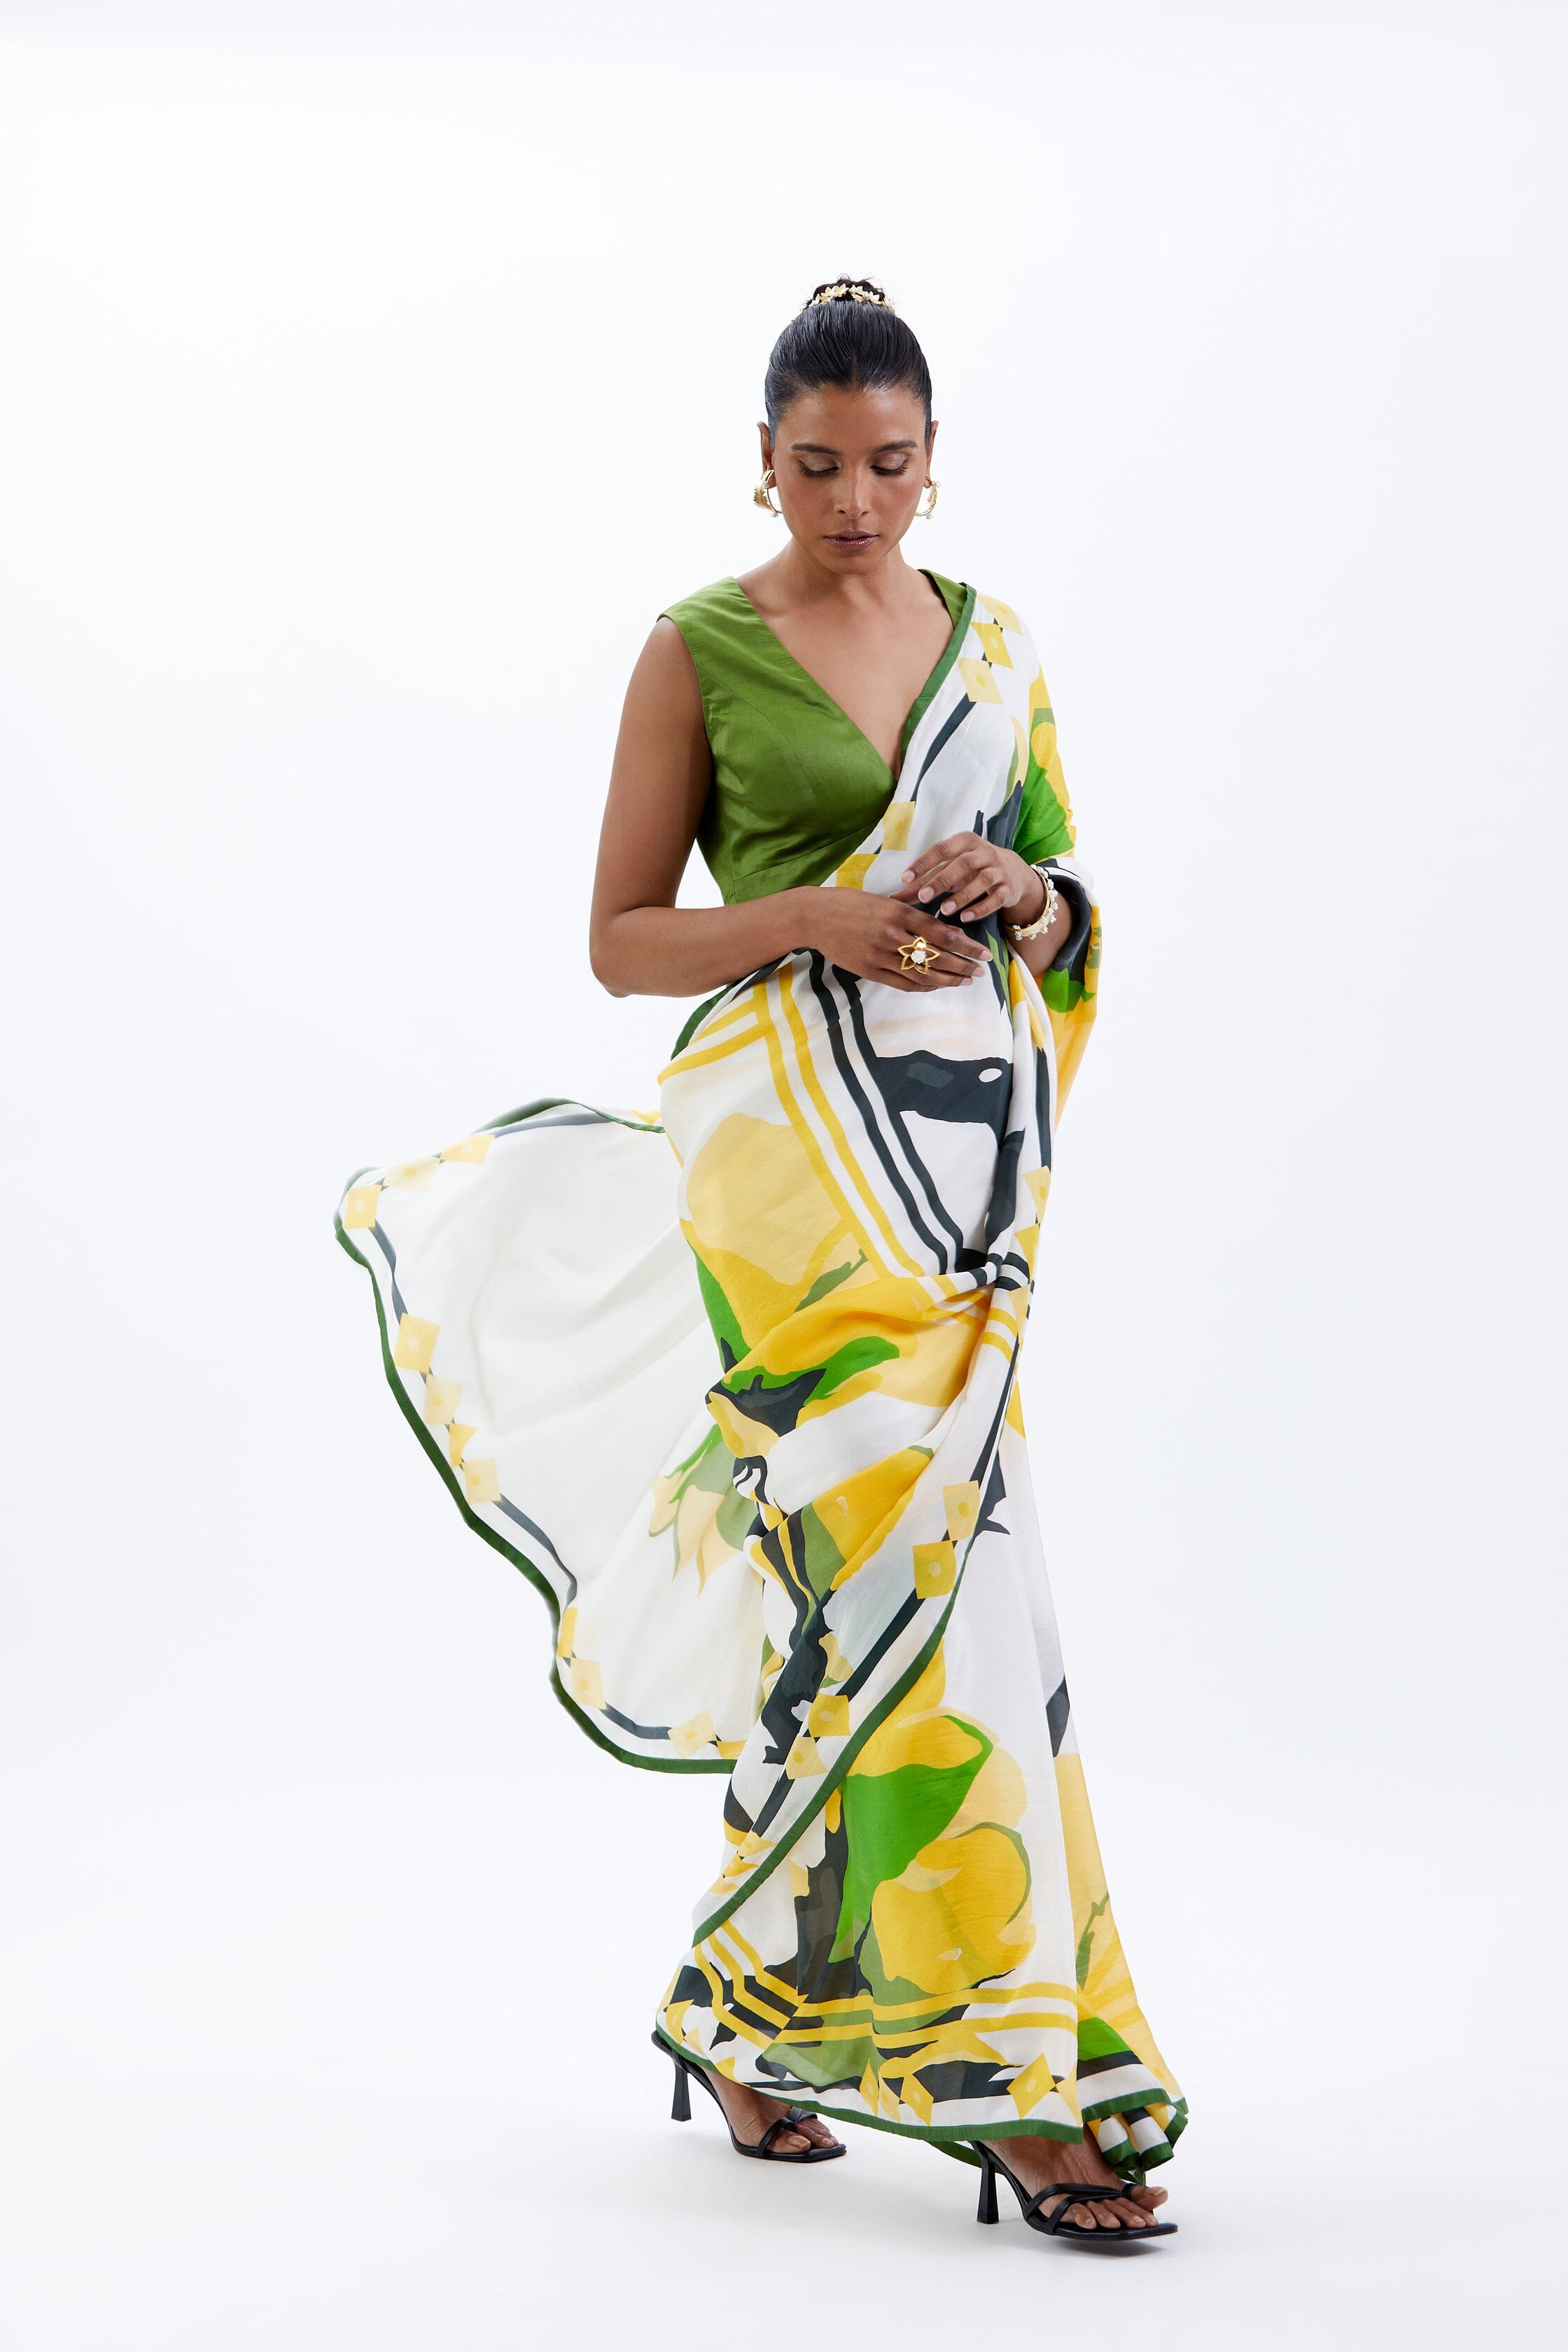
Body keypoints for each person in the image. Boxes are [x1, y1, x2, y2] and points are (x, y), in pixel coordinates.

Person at [337, 278, 1184, 2246]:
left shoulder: (996, 646)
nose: (855, 502)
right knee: (920, 1576)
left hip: (957, 1175)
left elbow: (1068, 908)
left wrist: (1027, 890)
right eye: (818, 468)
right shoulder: (698, 649)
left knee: (894, 1590)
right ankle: (1017, 2085)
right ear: (764, 465)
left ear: (935, 461)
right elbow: (624, 940)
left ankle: (750, 2015)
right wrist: (810, 913)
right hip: (791, 1178)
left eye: (889, 465)